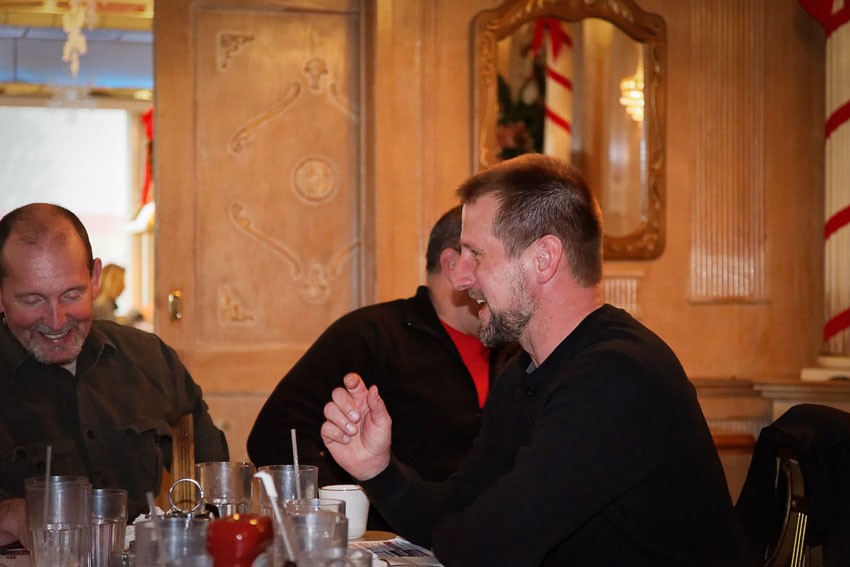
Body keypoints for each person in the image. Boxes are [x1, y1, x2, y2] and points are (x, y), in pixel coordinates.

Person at [320, 155, 754, 566]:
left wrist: (460, 534)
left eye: (476, 254)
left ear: (543, 259)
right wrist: (377, 469)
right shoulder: (524, 371)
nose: (460, 277)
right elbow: (459, 508)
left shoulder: (617, 376)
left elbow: (489, 548)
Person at [247, 206, 517, 529]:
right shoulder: (370, 335)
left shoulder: (516, 351)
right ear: (452, 265)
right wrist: (346, 509)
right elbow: (275, 433)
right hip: (392, 544)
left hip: (485, 541)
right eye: (494, 259)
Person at [0, 203, 228, 547]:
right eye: (32, 300)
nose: (56, 320)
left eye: (72, 294)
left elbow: (214, 480)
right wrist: (13, 515)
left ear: (94, 279)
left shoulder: (150, 358)